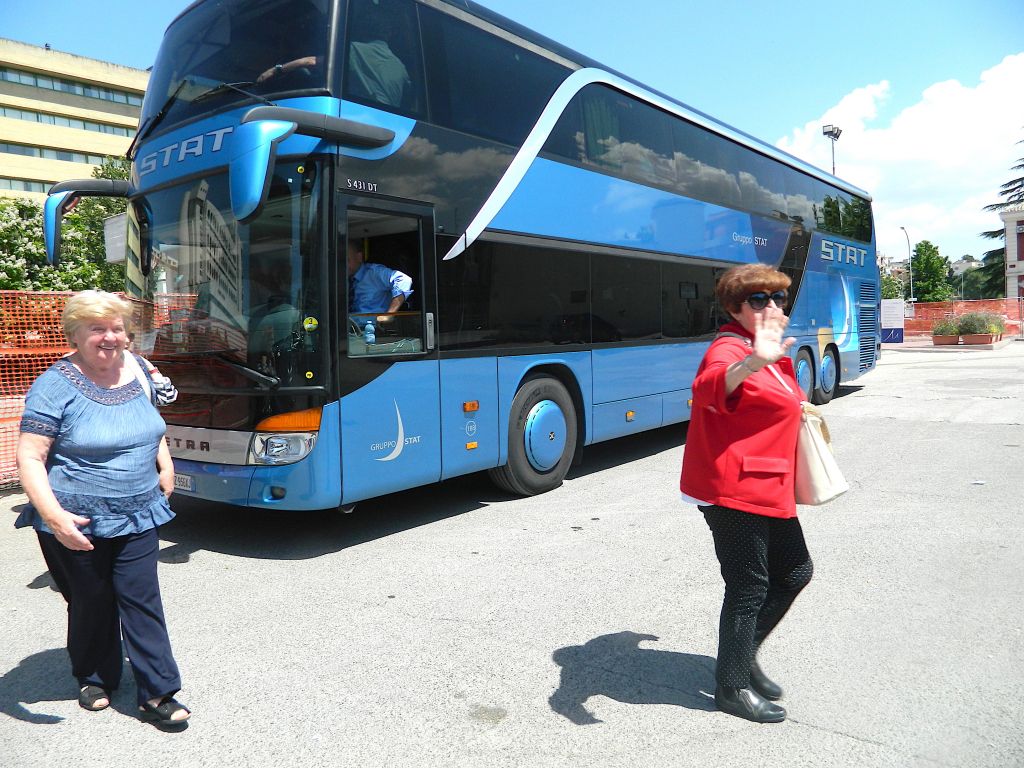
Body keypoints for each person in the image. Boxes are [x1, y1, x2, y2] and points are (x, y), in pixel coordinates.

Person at [15, 291, 191, 730]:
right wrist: (54, 518)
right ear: (74, 334)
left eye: (116, 328)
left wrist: (164, 459)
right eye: (97, 328)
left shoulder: (136, 370)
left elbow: (149, 424)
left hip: (138, 510)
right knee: (91, 601)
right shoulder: (54, 384)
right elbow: (30, 457)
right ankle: (94, 676)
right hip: (76, 516)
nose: (109, 337)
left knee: (141, 599)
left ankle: (159, 691)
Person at [679, 263, 812, 724]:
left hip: (768, 482)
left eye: (777, 299)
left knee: (796, 571)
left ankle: (741, 655)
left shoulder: (775, 352)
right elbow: (710, 385)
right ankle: (731, 687)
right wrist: (754, 360)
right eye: (758, 299)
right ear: (735, 307)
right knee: (749, 586)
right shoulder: (730, 347)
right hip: (732, 487)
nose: (771, 307)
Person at [347, 239, 413, 314]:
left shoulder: (373, 273)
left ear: (359, 257)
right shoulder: (342, 280)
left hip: (372, 324)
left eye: (347, 260)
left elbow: (404, 280)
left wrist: (389, 314)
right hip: (346, 324)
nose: (343, 265)